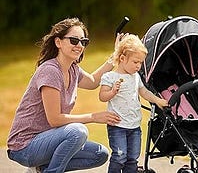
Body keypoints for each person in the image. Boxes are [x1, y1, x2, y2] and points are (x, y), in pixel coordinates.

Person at [7, 17, 122, 173]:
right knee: (78, 132)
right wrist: (94, 117)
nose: (80, 45)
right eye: (74, 40)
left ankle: (39, 169)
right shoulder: (50, 71)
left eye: (83, 41)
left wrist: (115, 55)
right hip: (25, 146)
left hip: (49, 141)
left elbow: (94, 81)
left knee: (99, 154)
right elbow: (55, 119)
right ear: (58, 42)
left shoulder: (73, 69)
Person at [99, 34, 168, 172]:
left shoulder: (136, 77)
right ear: (122, 59)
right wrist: (112, 92)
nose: (139, 66)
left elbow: (144, 92)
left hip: (134, 126)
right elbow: (102, 96)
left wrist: (158, 100)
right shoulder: (110, 77)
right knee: (119, 156)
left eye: (141, 63)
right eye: (136, 62)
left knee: (132, 158)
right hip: (118, 125)